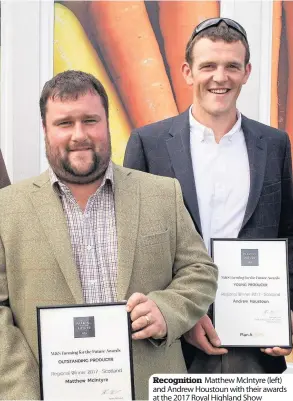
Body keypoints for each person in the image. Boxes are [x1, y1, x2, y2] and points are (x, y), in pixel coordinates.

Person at [0, 70, 218, 400]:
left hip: (151, 389)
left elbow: (201, 271)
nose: (79, 135)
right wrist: (24, 390)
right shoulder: (7, 208)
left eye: (90, 120)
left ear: (107, 122)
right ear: (45, 130)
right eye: (64, 123)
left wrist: (167, 309)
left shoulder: (161, 193)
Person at [124, 18, 293, 373]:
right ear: (187, 72)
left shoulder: (275, 144)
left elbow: (286, 236)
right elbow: (134, 245)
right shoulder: (148, 143)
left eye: (232, 66)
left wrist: (284, 315)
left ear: (247, 72)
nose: (220, 77)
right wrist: (178, 314)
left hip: (255, 341)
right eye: (208, 66)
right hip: (173, 343)